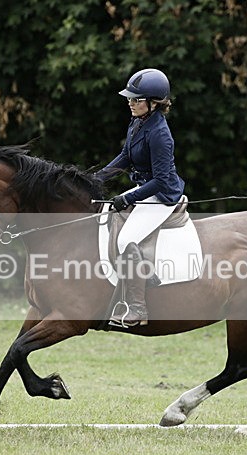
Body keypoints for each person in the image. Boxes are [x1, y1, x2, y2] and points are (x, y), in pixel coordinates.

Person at [97, 68, 185, 327]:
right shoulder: (138, 122)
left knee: (126, 239)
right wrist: (97, 178)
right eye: (130, 98)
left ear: (154, 102)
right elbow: (124, 157)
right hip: (145, 188)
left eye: (136, 99)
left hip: (162, 195)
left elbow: (160, 180)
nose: (130, 102)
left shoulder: (160, 134)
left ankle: (137, 309)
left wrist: (128, 198)